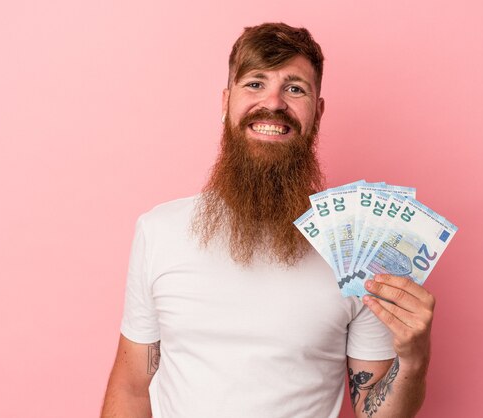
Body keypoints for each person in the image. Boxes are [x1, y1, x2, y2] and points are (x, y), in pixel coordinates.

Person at [101, 22, 435, 418]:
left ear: (318, 111)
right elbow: (132, 387)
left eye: (295, 88)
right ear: (226, 102)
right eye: (255, 84)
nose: (273, 103)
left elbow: (372, 412)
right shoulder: (159, 231)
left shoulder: (360, 253)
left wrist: (413, 363)